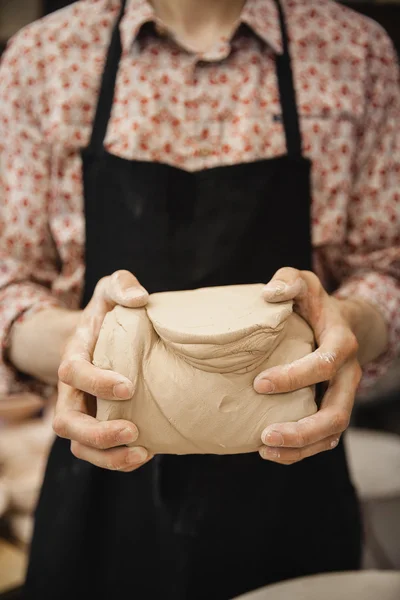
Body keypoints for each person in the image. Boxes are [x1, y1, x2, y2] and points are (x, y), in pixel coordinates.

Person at [0, 0, 399, 598]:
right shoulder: (45, 57)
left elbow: (385, 270)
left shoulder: (354, 52)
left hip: (292, 475)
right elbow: (9, 286)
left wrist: (351, 323)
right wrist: (86, 344)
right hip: (100, 486)